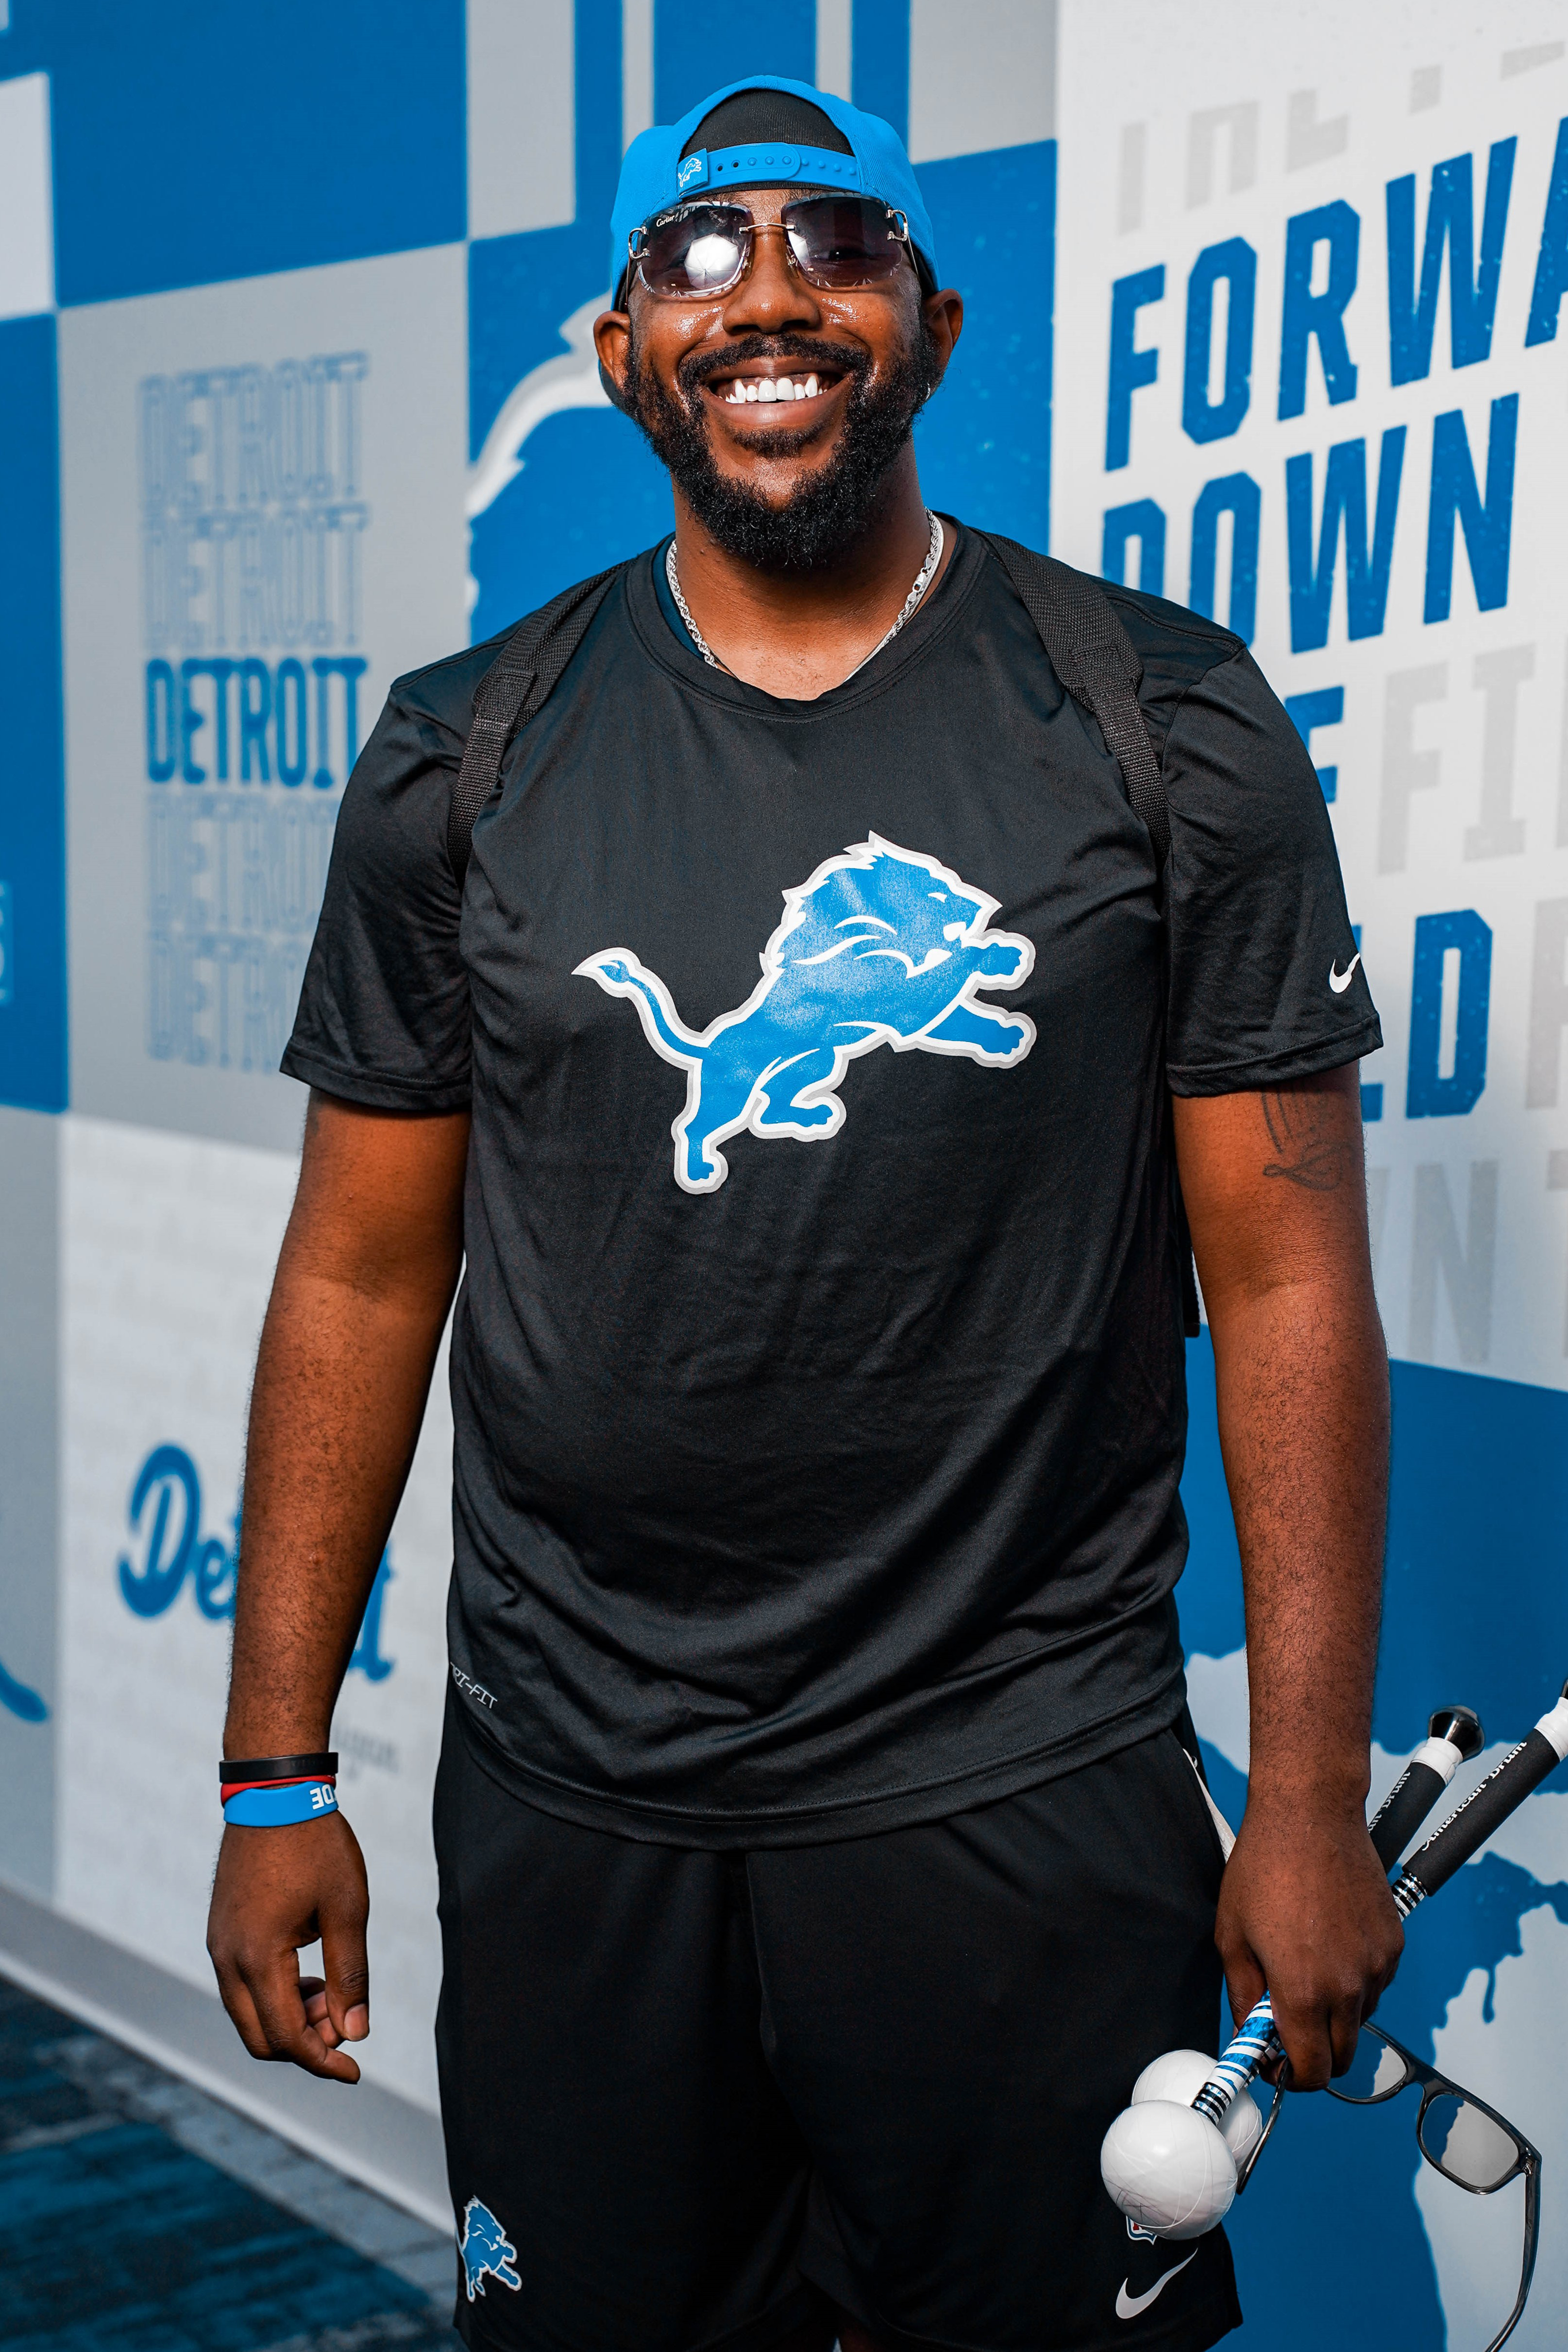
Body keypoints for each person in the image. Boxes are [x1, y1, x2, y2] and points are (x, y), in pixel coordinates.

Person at [207, 74, 1402, 2352]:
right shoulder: (465, 751)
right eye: (700, 252)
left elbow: (1285, 1273)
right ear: (620, 348)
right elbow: (359, 1269)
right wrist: (276, 1767)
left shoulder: (1164, 720)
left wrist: (1313, 1797)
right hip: (577, 1798)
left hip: (1022, 1784)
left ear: (931, 322)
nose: (768, 295)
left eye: (835, 243)